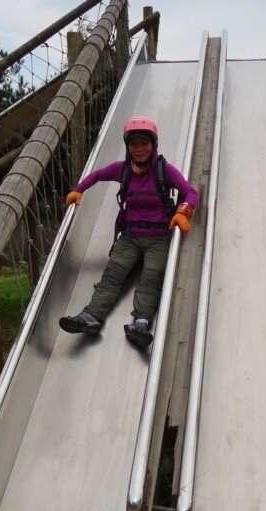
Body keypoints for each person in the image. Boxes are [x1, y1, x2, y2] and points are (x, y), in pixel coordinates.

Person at [59, 116, 199, 347]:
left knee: (151, 277)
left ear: (153, 144)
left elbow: (191, 192)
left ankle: (141, 323)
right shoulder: (122, 170)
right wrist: (78, 190)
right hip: (131, 236)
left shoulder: (164, 170)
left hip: (159, 237)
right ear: (127, 146)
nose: (139, 148)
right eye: (134, 144)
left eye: (144, 143)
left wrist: (183, 212)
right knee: (113, 273)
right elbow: (97, 175)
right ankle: (91, 316)